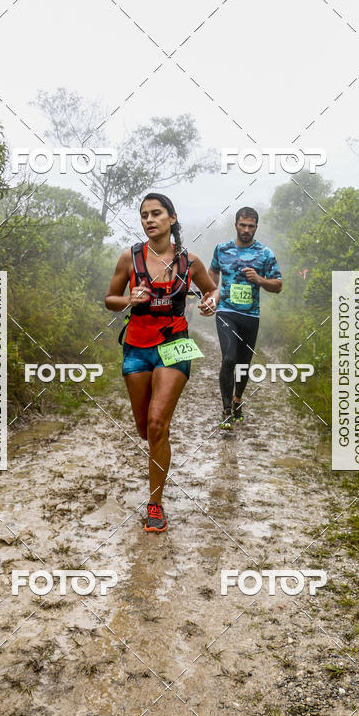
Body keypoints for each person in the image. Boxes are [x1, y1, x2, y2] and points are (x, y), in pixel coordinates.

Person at [105, 193, 219, 533]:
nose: (149, 219)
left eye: (156, 213)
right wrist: (129, 298)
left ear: (172, 218)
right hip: (137, 348)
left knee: (157, 423)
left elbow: (212, 291)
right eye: (144, 215)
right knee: (144, 428)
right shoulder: (130, 258)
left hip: (176, 344)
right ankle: (157, 452)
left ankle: (155, 505)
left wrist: (210, 303)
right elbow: (110, 299)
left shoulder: (190, 262)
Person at [208, 207, 282, 430]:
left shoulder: (265, 253)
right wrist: (212, 294)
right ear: (236, 225)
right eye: (243, 225)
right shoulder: (222, 250)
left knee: (243, 364)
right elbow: (212, 272)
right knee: (229, 359)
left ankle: (238, 400)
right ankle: (226, 410)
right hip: (226, 312)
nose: (246, 230)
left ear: (256, 227)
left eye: (251, 226)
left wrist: (259, 279)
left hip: (250, 315)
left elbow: (278, 285)